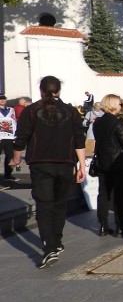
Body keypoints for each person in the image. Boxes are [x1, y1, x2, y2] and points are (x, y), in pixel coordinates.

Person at [12, 76, 85, 269]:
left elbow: (22, 137)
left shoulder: (31, 111)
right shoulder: (71, 111)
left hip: (40, 163)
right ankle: (57, 241)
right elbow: (79, 140)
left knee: (44, 206)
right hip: (64, 163)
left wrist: (16, 158)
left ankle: (50, 247)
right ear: (58, 91)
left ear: (41, 90)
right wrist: (82, 167)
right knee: (60, 204)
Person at [93, 94, 123, 237]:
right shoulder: (118, 123)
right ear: (113, 105)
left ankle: (103, 226)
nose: (121, 106)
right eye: (120, 104)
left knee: (103, 194)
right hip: (118, 164)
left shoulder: (97, 123)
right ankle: (120, 226)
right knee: (120, 196)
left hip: (102, 163)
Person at [0, 94, 19, 183]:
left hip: (9, 137)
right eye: (0, 99)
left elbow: (14, 121)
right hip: (0, 137)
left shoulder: (11, 110)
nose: (2, 100)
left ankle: (8, 175)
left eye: (3, 99)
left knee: (9, 156)